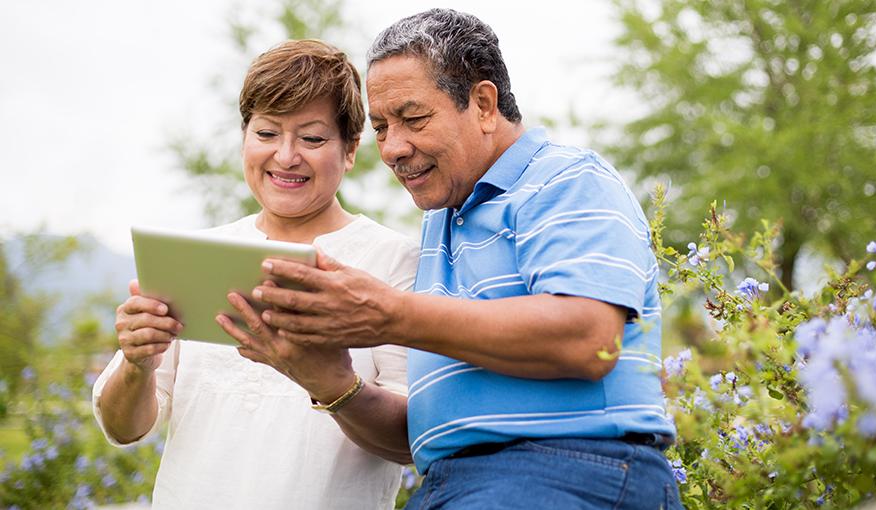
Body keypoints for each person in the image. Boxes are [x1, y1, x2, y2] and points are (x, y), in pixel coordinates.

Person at [237, 9, 681, 509]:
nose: (393, 148)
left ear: (484, 104)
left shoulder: (564, 179)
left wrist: (389, 314)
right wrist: (331, 382)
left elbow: (588, 338)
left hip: (568, 472)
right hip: (455, 485)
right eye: (381, 127)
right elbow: (415, 443)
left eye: (413, 118)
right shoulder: (441, 226)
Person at [92, 39, 416, 509]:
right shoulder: (196, 256)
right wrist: (137, 363)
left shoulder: (394, 260)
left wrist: (331, 383)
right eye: (266, 133)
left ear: (350, 151)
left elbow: (410, 438)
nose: (285, 157)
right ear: (244, 137)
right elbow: (124, 428)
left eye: (312, 138)